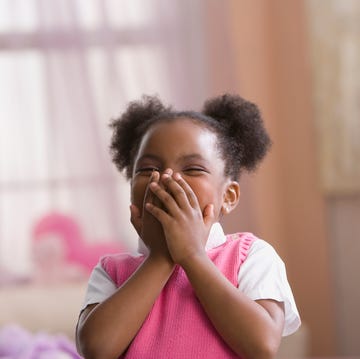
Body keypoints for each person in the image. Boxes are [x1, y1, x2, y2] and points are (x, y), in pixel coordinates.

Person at [76, 94, 301, 359]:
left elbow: (261, 346)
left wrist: (192, 255)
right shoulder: (112, 271)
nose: (167, 178)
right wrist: (160, 258)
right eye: (148, 169)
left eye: (193, 169)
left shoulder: (251, 256)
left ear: (227, 197)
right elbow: (96, 350)